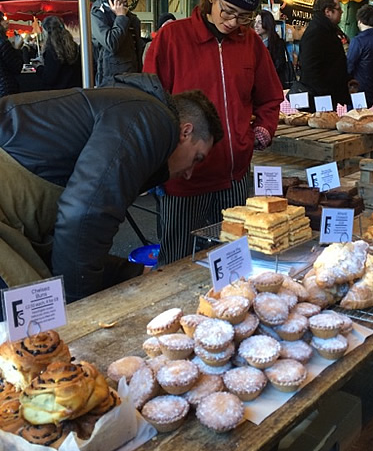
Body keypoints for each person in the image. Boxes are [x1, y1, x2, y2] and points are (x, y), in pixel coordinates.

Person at [0, 73, 223, 306]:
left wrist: (130, 274)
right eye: (197, 158)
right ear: (185, 132)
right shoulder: (153, 120)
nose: (189, 173)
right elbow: (85, 217)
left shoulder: (135, 110)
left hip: (18, 220)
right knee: (38, 322)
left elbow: (69, 237)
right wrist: (82, 308)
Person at [143, 0, 283, 265]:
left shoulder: (251, 45)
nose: (233, 22)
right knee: (178, 263)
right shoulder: (172, 38)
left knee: (235, 262)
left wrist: (262, 129)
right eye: (228, 11)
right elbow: (150, 105)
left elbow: (271, 97)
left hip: (234, 179)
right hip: (183, 181)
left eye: (244, 16)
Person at [292, 0, 350, 111]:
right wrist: (325, 93)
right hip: (318, 97)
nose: (342, 12)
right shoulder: (317, 31)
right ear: (328, 11)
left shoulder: (328, 29)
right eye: (338, 9)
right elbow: (310, 67)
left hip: (325, 94)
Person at [91, 0, 144, 87]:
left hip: (133, 76)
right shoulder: (98, 14)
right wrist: (120, 17)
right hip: (113, 81)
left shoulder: (129, 15)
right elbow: (111, 43)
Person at [346, 4, 373, 109]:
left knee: (353, 120)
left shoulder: (358, 41)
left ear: (359, 20)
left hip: (357, 89)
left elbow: (349, 65)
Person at [36, 16, 82, 90]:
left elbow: (49, 78)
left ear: (47, 31)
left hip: (58, 94)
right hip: (75, 90)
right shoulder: (73, 46)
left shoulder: (52, 50)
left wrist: (39, 68)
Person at [254, 9, 295, 89]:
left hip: (273, 85)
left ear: (267, 23)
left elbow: (278, 66)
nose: (256, 25)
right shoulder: (254, 43)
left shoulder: (278, 43)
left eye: (259, 22)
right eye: (255, 22)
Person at [0, 11, 23, 98]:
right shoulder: (3, 43)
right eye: (2, 20)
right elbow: (16, 67)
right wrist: (17, 48)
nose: (7, 22)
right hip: (5, 89)